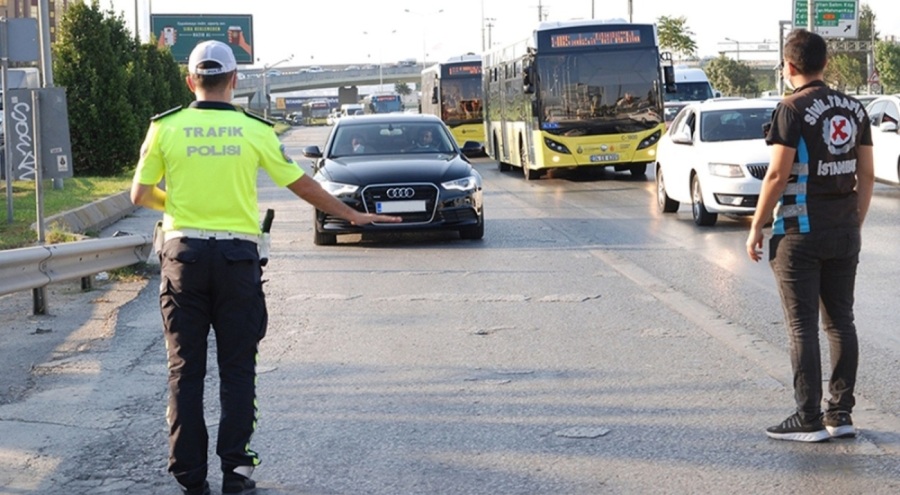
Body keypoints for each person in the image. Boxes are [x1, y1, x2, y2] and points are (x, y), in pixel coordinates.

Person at [130, 40, 401, 495]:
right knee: (238, 369)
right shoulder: (253, 130)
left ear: (190, 80)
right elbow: (301, 184)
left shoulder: (166, 127)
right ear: (235, 81)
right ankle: (236, 473)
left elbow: (139, 195)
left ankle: (189, 476)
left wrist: (176, 205)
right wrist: (353, 215)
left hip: (184, 259)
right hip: (237, 260)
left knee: (185, 370)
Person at [745, 29, 874, 443]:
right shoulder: (855, 108)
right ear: (824, 63)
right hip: (844, 231)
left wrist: (756, 226)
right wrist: (855, 221)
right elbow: (866, 174)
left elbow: (778, 175)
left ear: (790, 66)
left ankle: (808, 417)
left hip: (799, 233)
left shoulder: (791, 108)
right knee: (841, 324)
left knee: (802, 327)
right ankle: (841, 413)